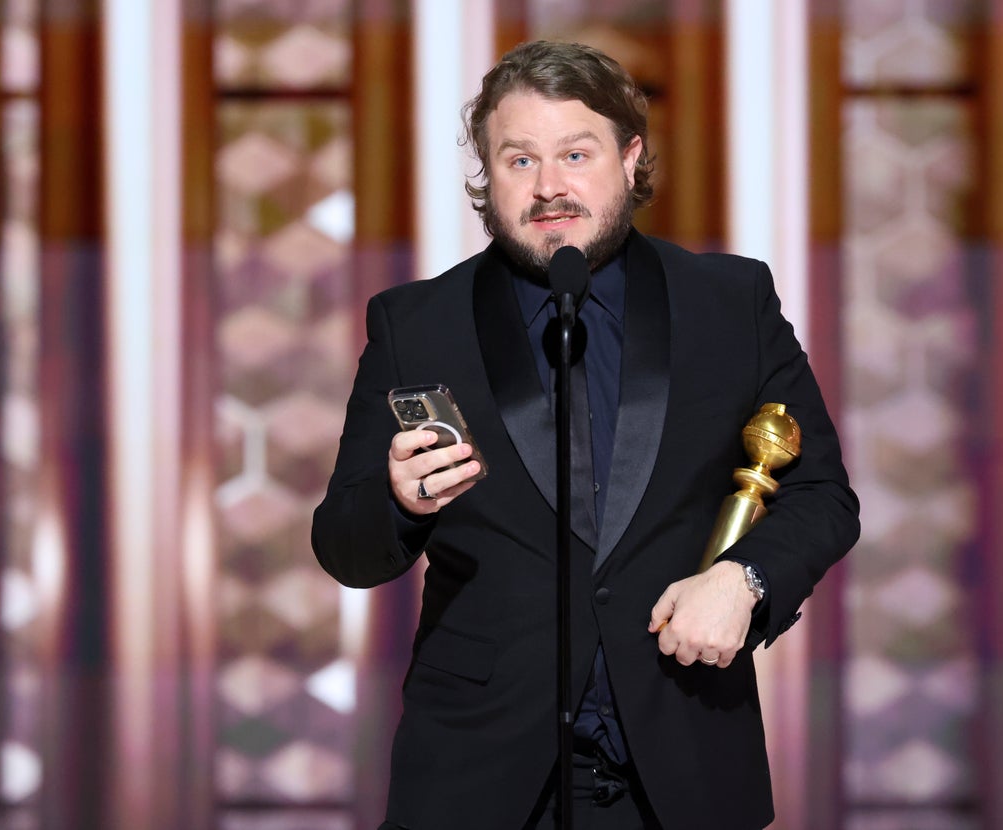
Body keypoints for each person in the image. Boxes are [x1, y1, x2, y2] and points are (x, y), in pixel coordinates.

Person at [312, 39, 860, 830]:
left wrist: (745, 581)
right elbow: (344, 547)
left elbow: (822, 496)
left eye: (576, 152)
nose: (549, 187)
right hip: (478, 780)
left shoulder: (729, 302)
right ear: (487, 175)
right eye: (520, 160)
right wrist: (399, 501)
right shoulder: (415, 324)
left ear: (631, 159)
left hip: (682, 764)